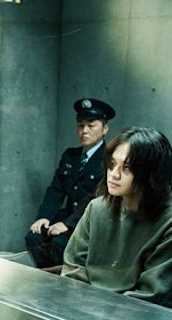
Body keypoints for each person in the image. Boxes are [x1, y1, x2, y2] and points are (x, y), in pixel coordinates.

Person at [61, 126, 172, 310]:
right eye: (111, 164)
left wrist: (94, 312)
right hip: (86, 312)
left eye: (127, 168)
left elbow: (150, 299)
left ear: (151, 174)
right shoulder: (97, 208)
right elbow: (72, 270)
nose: (114, 174)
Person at [25, 98, 116, 268]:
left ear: (105, 129)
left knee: (59, 242)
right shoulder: (70, 156)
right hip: (67, 215)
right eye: (80, 126)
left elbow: (96, 197)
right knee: (34, 236)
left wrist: (68, 224)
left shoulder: (110, 159)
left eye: (91, 125)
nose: (84, 131)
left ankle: (57, 278)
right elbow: (56, 189)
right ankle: (45, 274)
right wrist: (44, 217)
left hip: (90, 222)